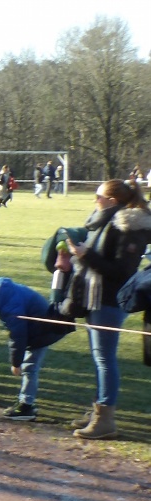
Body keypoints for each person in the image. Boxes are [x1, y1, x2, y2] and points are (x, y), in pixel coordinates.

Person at [65, 179, 151, 439]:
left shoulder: (129, 227)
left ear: (112, 201)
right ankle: (97, 412)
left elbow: (122, 271)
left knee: (105, 358)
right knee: (99, 357)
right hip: (96, 296)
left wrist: (85, 255)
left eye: (98, 196)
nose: (95, 201)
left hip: (111, 300)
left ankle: (105, 420)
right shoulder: (105, 222)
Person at [0, 279, 75, 420]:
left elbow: (18, 337)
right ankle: (25, 402)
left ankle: (26, 406)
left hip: (44, 330)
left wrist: (15, 363)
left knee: (29, 367)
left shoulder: (11, 310)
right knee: (29, 367)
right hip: (36, 324)